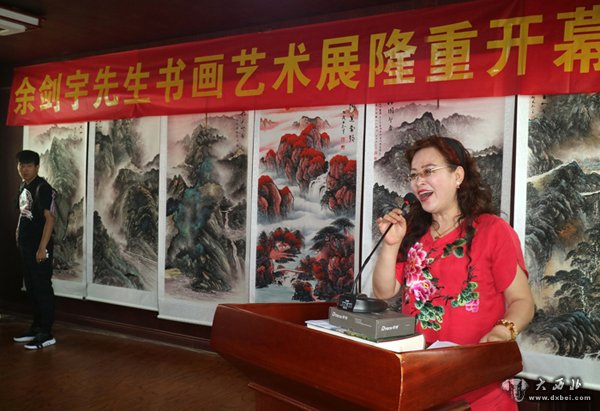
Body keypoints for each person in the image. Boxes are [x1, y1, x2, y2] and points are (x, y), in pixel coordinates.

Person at [372, 136, 534, 410]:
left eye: (428, 171)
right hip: (421, 384)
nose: (419, 181)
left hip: (480, 388)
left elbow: (523, 301)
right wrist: (390, 245)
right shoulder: (413, 233)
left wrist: (502, 332)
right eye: (414, 175)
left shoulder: (492, 230)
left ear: (458, 176)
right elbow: (383, 291)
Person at [13, 150, 57, 350]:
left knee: (42, 288)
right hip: (26, 246)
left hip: (39, 248)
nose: (25, 169)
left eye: (29, 165)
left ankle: (46, 333)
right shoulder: (23, 186)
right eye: (21, 165)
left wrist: (42, 248)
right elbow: (24, 213)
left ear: (37, 167)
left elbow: (50, 219)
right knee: (31, 288)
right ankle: (36, 327)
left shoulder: (42, 188)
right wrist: (18, 233)